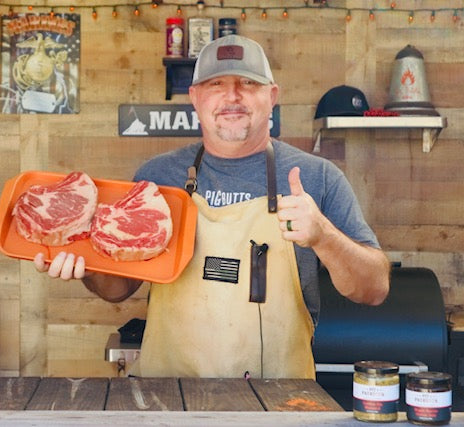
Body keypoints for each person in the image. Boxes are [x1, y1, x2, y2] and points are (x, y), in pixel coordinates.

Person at [34, 35, 390, 379]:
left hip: (279, 400)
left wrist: (322, 236)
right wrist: (88, 270)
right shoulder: (157, 177)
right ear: (195, 97)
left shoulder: (317, 178)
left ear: (272, 95)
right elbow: (119, 289)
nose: (232, 96)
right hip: (171, 398)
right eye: (216, 84)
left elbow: (374, 289)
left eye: (248, 84)